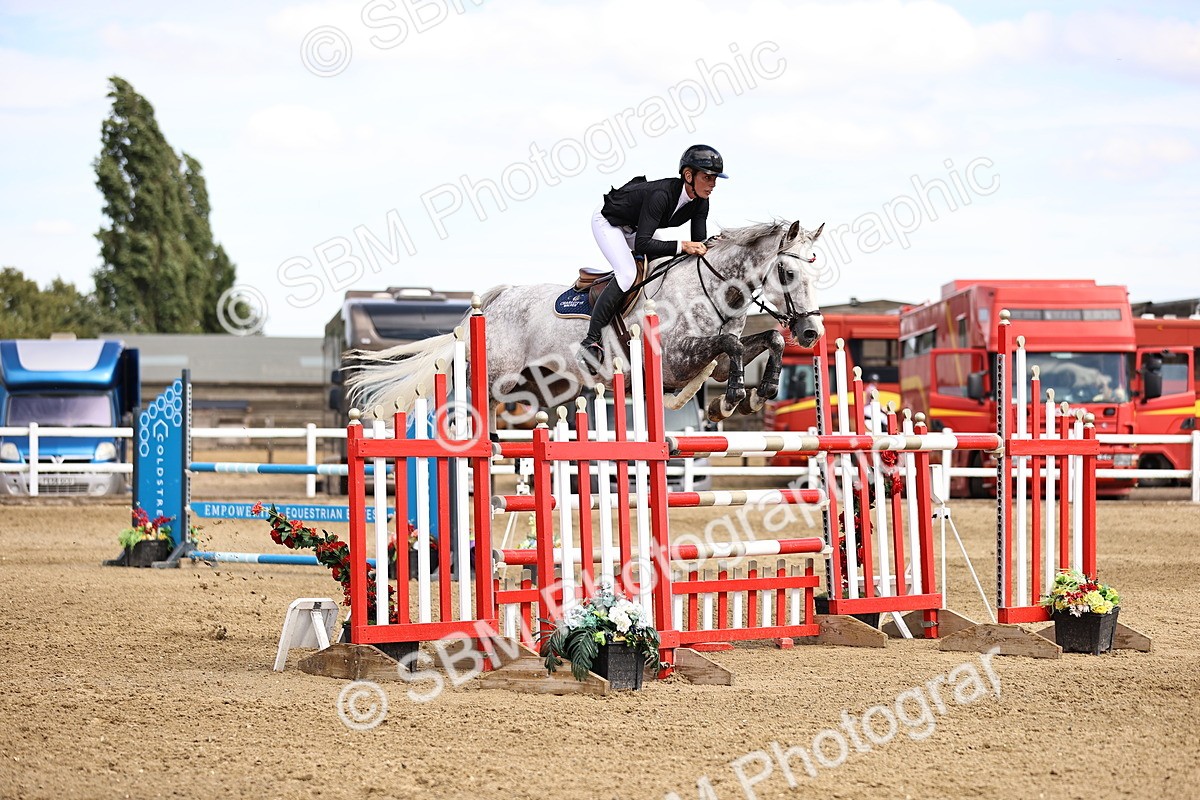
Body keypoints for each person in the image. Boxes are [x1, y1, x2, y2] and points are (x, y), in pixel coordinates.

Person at [577, 144, 728, 373]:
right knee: (628, 275)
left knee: (662, 263)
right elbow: (643, 244)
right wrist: (682, 246)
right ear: (689, 175)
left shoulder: (701, 201)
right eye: (707, 177)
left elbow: (700, 245)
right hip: (609, 222)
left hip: (636, 226)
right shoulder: (661, 195)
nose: (713, 184)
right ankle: (591, 341)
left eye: (715, 178)